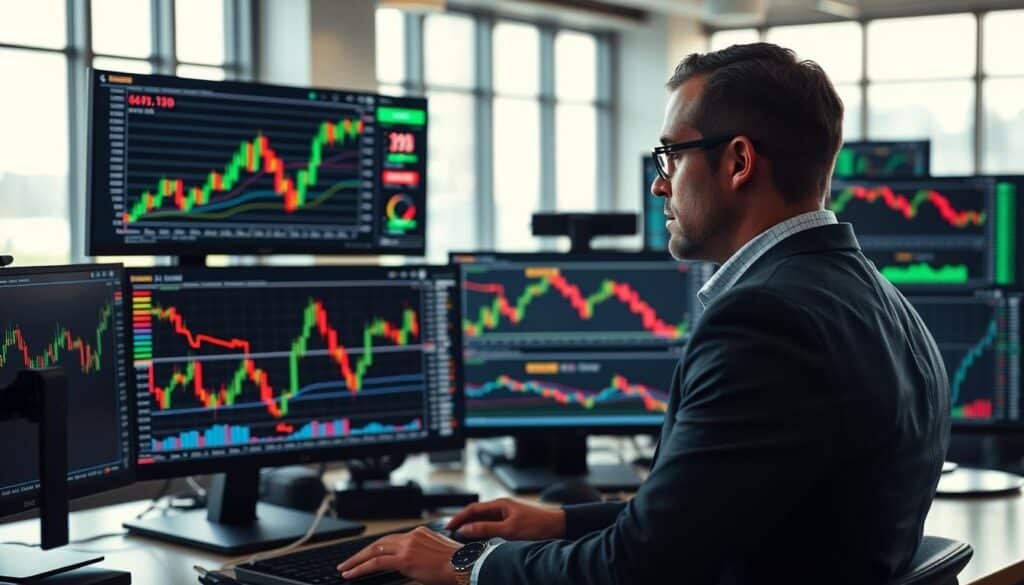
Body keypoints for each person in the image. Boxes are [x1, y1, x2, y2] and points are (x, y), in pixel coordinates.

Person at [337, 42, 950, 585]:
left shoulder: (765, 320)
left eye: (671, 156)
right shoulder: (877, 297)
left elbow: (639, 567)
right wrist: (558, 521)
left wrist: (467, 565)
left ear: (738, 162)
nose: (660, 185)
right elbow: (721, 513)